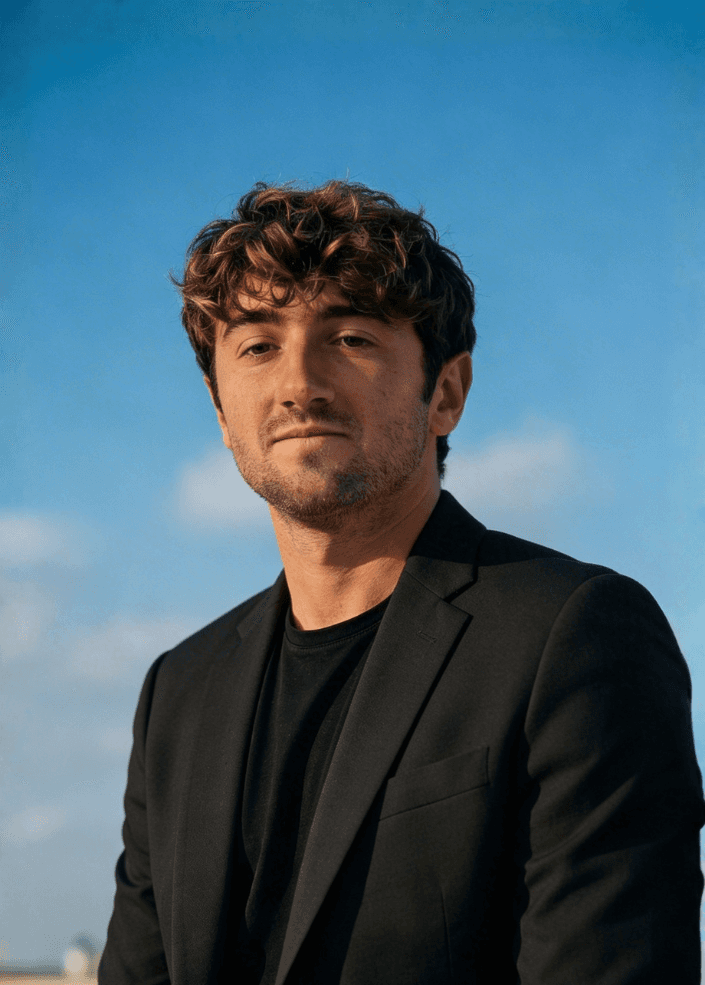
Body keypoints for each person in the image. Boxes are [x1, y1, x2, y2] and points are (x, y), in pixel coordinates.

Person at [99, 181, 704, 985]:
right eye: (256, 345)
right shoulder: (177, 689)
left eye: (349, 337)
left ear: (445, 393)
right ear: (219, 407)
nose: (298, 383)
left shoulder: (576, 634)